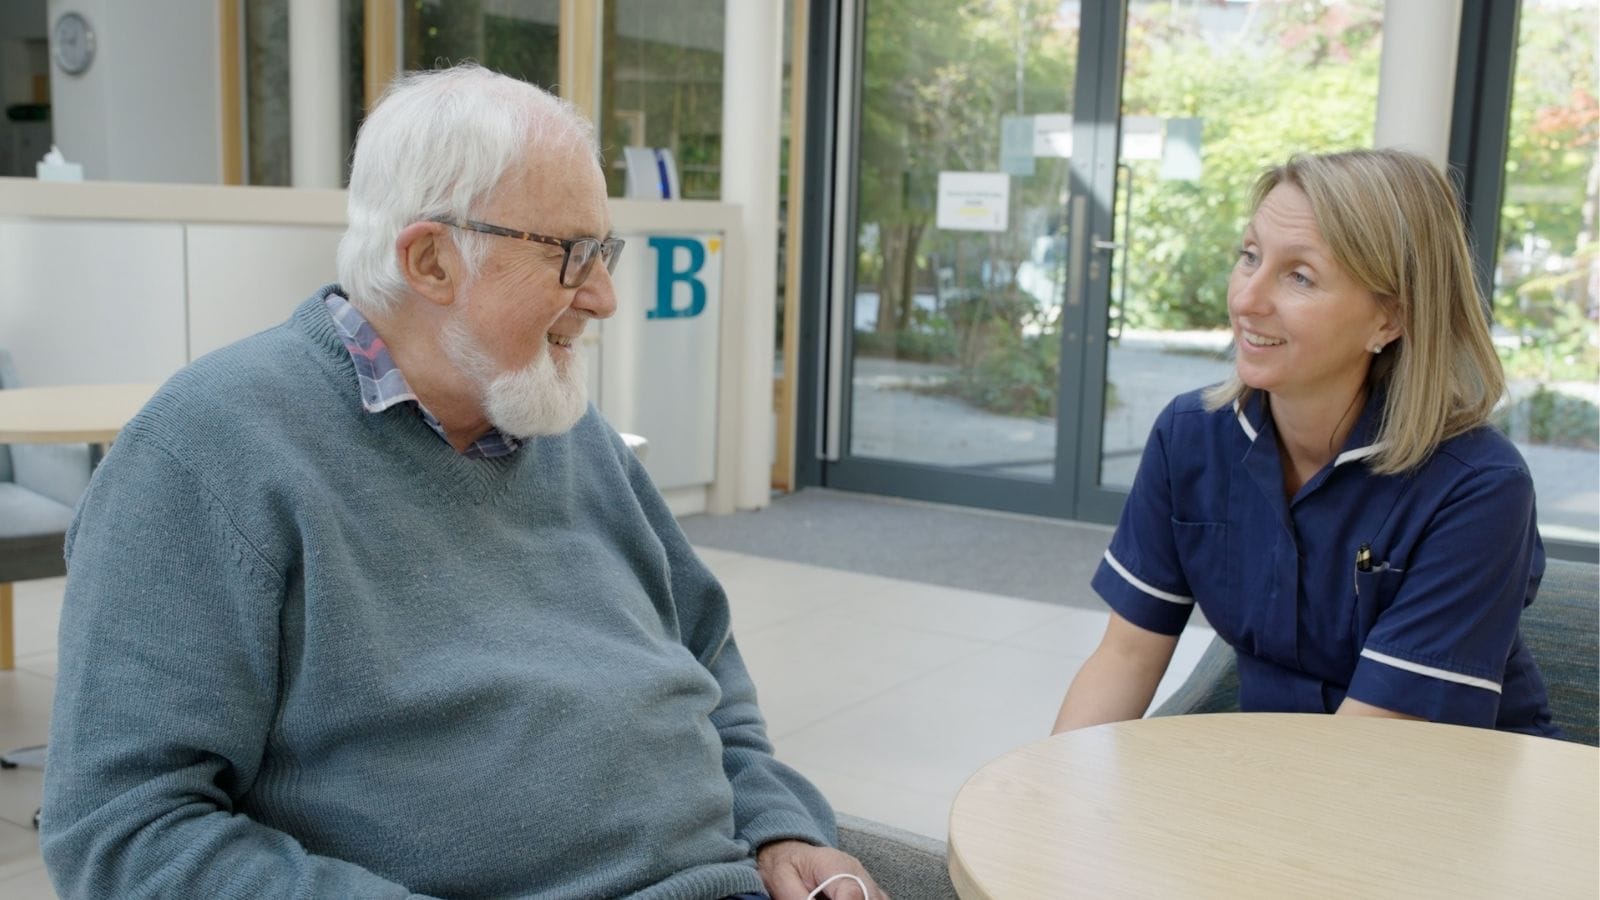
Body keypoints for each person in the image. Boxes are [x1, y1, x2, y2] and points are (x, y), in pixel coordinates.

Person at [41, 64, 882, 900]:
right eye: (573, 255)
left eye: (604, 252)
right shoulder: (205, 454)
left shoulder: (573, 434)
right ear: (433, 261)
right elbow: (123, 830)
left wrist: (779, 823)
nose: (603, 297)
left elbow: (705, 658)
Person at [1053, 148, 1559, 737]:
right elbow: (1126, 656)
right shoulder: (1190, 436)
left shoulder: (1478, 488)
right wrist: (1053, 794)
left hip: (1442, 795)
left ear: (1389, 318)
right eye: (1249, 256)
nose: (1246, 300)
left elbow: (1373, 744)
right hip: (1284, 767)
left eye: (1299, 275)